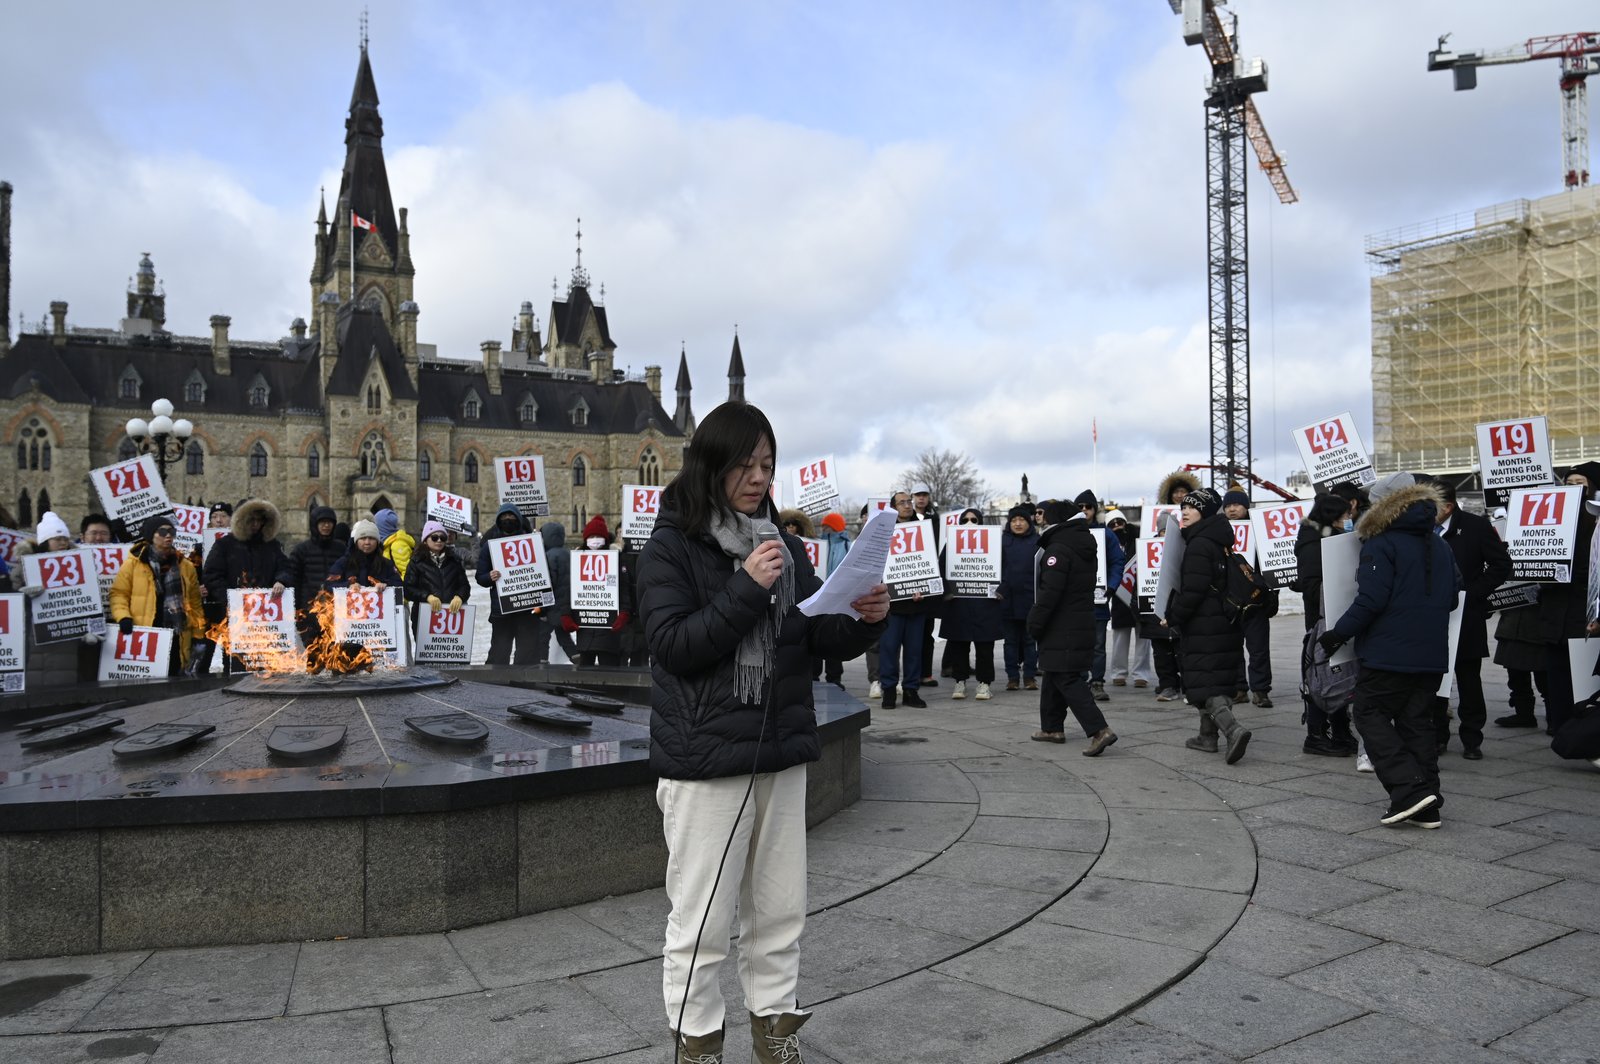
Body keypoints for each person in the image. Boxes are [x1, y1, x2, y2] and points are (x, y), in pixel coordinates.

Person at [636, 401, 887, 1062]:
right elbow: (674, 645)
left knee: (779, 909)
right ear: (711, 465)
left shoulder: (783, 543)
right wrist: (746, 589)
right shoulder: (671, 546)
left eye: (768, 464)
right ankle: (698, 1042)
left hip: (780, 745)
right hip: (706, 759)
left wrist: (863, 618)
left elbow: (803, 635)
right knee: (703, 919)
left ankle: (774, 1026)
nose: (758, 476)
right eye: (745, 463)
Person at [1320, 472, 1462, 828]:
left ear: (1384, 505)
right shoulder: (1438, 542)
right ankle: (1427, 803)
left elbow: (1371, 600)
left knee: (1368, 712)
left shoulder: (1381, 543)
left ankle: (1409, 790)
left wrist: (1336, 634)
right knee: (1417, 722)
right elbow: (1452, 594)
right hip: (1430, 653)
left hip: (1389, 651)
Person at [1166, 487, 1251, 763]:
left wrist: (1173, 615)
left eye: (1192, 507)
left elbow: (1193, 591)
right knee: (1211, 679)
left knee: (1205, 683)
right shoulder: (1216, 539)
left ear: (1204, 511)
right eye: (1183, 508)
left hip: (1204, 623)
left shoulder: (1199, 545)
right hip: (1222, 620)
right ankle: (1207, 737)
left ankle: (1232, 729)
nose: (1185, 511)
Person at [1429, 479, 1512, 759]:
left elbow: (1501, 565)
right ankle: (1437, 735)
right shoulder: (1420, 528)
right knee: (1434, 680)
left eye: (1431, 505)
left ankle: (1472, 739)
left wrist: (1473, 593)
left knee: (1468, 679)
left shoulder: (1475, 527)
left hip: (1466, 615)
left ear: (1448, 506)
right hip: (1430, 617)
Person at [1028, 499, 1118, 754]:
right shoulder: (1081, 544)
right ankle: (1052, 727)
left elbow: (1050, 594)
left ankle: (1100, 730)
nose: (1042, 520)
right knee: (1054, 671)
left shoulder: (1059, 549)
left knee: (1067, 678)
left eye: (1046, 516)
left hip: (1061, 623)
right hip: (1078, 619)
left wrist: (1035, 621)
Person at [1533, 463, 1600, 739]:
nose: (1573, 489)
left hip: (1584, 613)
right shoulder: (1556, 518)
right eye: (1569, 483)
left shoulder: (1595, 521)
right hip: (1554, 612)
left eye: (1580, 483)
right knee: (1556, 675)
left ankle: (1582, 730)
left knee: (1584, 680)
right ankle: (1559, 726)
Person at [1293, 491, 1361, 758]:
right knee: (1320, 676)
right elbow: (1311, 586)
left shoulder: (1336, 539)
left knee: (1342, 675)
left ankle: (1341, 730)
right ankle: (1316, 734)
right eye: (1345, 515)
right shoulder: (1312, 543)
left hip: (1339, 616)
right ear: (1332, 517)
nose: (1349, 519)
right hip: (1321, 620)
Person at [109, 514, 207, 676]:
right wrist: (123, 617)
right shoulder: (133, 564)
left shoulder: (186, 566)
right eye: (162, 532)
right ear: (150, 535)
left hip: (177, 635)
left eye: (171, 531)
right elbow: (119, 594)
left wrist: (198, 634)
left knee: (174, 680)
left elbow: (195, 603)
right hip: (145, 634)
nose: (168, 535)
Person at [202, 499, 288, 672]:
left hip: (266, 616)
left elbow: (285, 567)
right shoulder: (225, 545)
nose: (256, 525)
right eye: (251, 520)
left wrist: (281, 580)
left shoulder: (272, 545)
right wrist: (230, 598)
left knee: (266, 662)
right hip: (235, 616)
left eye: (259, 520)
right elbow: (211, 574)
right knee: (237, 664)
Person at [1221, 488, 1274, 707]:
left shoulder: (1260, 531)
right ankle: (1239, 689)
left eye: (1237, 505)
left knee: (1259, 649)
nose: (1232, 509)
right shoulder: (1219, 532)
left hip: (1255, 600)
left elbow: (1272, 563)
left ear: (1246, 506)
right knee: (1232, 649)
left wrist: (1268, 590)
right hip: (1231, 601)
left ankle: (1260, 690)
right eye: (1228, 506)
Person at [880, 490, 933, 708]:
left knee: (914, 651)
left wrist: (924, 588)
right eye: (902, 502)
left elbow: (927, 562)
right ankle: (889, 691)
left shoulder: (923, 530)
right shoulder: (884, 531)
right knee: (889, 649)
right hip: (891, 604)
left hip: (916, 602)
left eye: (908, 501)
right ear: (893, 507)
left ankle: (911, 690)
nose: (907, 505)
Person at [944, 507, 1001, 700]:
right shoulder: (950, 544)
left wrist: (1000, 590)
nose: (969, 523)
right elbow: (941, 567)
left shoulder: (994, 543)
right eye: (965, 520)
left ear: (981, 522)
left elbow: (1004, 568)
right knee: (958, 646)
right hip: (958, 604)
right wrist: (947, 591)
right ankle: (959, 681)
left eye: (974, 520)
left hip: (985, 605)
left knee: (985, 647)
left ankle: (984, 684)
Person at [476, 503, 541, 665]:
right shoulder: (489, 546)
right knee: (499, 651)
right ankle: (498, 686)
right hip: (501, 610)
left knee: (526, 652)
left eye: (511, 516)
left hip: (526, 609)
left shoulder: (531, 543)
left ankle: (525, 686)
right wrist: (489, 576)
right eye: (504, 517)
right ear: (498, 521)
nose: (507, 519)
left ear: (518, 519)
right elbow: (480, 577)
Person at [1076, 489, 1125, 701]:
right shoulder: (1069, 532)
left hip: (1098, 597)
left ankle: (1097, 682)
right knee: (1077, 643)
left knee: (1097, 645)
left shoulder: (1106, 534)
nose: (1085, 510)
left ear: (1095, 510)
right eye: (1081, 507)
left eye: (1088, 507)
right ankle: (1077, 681)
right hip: (1075, 599)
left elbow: (1117, 561)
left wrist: (1112, 586)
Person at [562, 515, 630, 667]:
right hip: (585, 630)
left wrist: (624, 613)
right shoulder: (577, 560)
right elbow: (569, 589)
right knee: (585, 673)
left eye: (598, 536)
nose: (595, 540)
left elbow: (624, 591)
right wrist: (566, 614)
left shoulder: (617, 559)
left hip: (609, 630)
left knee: (610, 672)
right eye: (592, 536)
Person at [1105, 508, 1155, 688]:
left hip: (1141, 592)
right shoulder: (1106, 544)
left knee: (1144, 637)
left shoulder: (1139, 540)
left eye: (1120, 522)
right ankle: (1119, 672)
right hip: (1120, 594)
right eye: (1112, 524)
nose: (1117, 526)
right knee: (1120, 637)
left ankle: (1141, 674)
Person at [999, 504, 1040, 691]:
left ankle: (1030, 676)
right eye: (1014, 520)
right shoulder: (1001, 542)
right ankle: (1012, 677)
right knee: (1010, 642)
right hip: (1007, 599)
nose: (1017, 524)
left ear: (1028, 522)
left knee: (1030, 641)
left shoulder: (1038, 541)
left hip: (1030, 599)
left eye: (1021, 520)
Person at [402, 520, 470, 626]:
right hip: (425, 617)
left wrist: (459, 596)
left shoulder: (454, 560)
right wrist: (427, 597)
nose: (439, 540)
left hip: (451, 616)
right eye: (434, 537)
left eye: (442, 537)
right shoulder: (416, 561)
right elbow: (408, 589)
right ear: (425, 540)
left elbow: (464, 586)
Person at [910, 483, 942, 687]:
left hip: (929, 577)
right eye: (918, 495)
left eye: (924, 495)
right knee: (910, 633)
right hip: (910, 577)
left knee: (927, 631)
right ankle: (912, 674)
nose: (921, 498)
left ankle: (926, 673)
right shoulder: (906, 521)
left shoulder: (935, 519)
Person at [817, 512, 851, 688]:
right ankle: (813, 675)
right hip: (819, 597)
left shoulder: (847, 546)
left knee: (834, 639)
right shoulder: (819, 545)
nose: (823, 528)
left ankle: (834, 678)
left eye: (826, 525)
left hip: (838, 600)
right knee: (814, 637)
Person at [324, 518, 402, 592]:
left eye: (371, 538)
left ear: (377, 542)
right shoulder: (344, 562)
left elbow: (399, 585)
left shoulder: (386, 564)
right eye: (363, 538)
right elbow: (329, 585)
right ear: (356, 541)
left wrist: (386, 585)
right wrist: (348, 585)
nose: (367, 542)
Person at [535, 520, 575, 664]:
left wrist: (542, 611)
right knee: (563, 636)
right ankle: (576, 657)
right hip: (565, 606)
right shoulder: (569, 554)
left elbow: (547, 584)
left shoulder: (547, 556)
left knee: (542, 636)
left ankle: (542, 661)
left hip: (552, 607)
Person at [374, 508, 415, 582]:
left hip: (400, 590)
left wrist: (398, 588)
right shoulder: (387, 542)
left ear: (382, 526)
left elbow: (406, 573)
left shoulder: (397, 545)